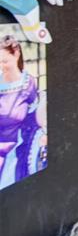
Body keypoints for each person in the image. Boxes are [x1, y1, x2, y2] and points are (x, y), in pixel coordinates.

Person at [0, 34, 46, 188]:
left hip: (16, 151)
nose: (1, 66)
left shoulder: (29, 84)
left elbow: (35, 119)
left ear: (16, 54)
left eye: (5, 61)